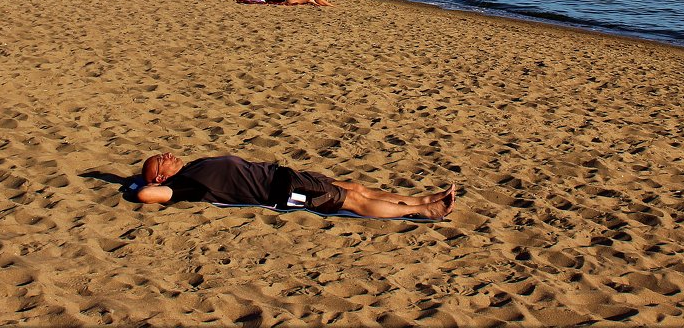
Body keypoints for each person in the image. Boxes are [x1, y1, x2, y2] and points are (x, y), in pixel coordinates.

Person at [136, 152, 456, 220]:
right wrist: (142, 184)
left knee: (355, 187)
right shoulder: (185, 185)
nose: (166, 155)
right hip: (283, 193)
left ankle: (421, 199)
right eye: (159, 161)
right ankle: (424, 212)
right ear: (163, 177)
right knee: (350, 201)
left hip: (285, 175)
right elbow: (147, 194)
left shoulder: (193, 166)